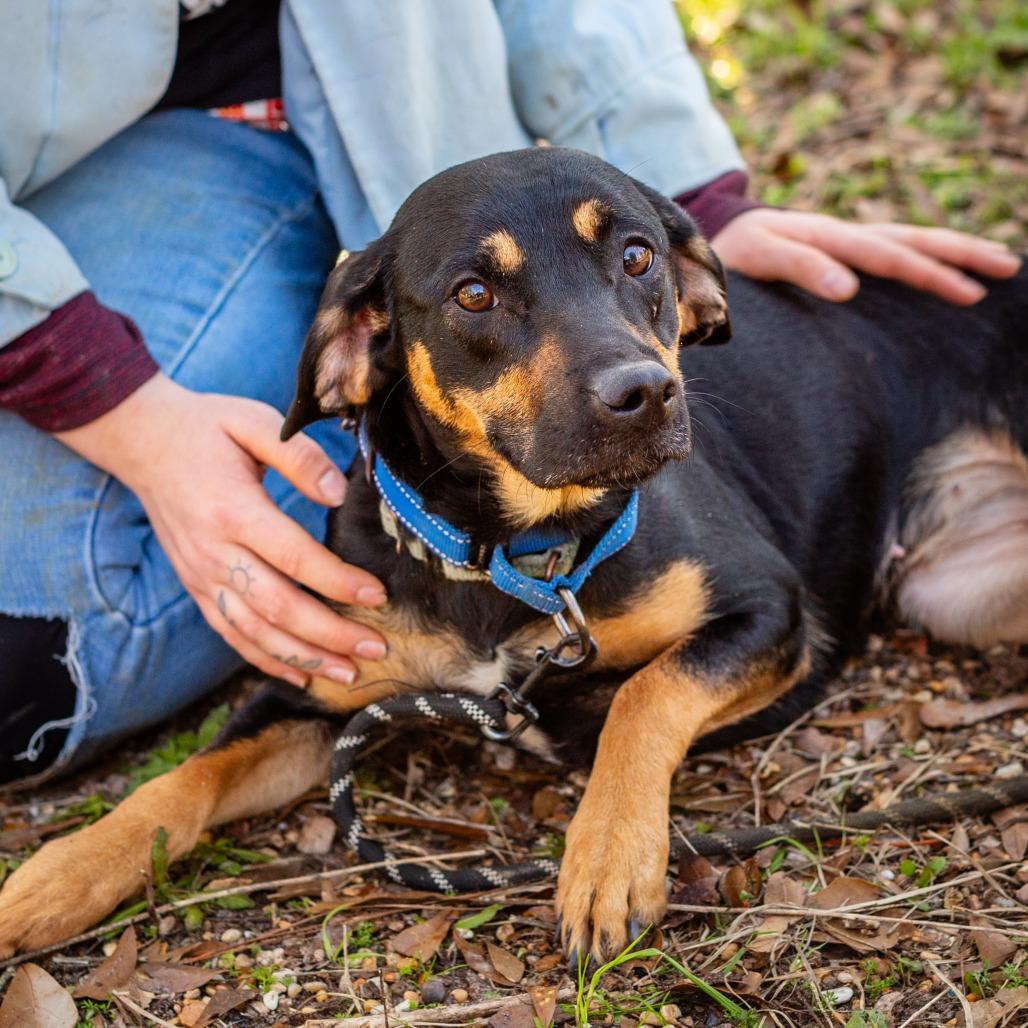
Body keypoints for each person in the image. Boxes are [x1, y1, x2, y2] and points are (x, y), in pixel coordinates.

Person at [0, 1, 1019, 786]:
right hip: (91, 165)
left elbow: (758, 615)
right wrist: (124, 413)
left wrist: (689, 201)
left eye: (641, 266)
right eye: (480, 292)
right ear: (351, 359)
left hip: (398, 88)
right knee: (24, 673)